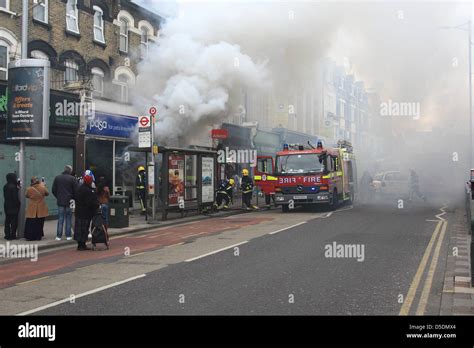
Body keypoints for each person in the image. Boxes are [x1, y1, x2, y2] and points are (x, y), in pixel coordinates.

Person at [74, 174, 99, 251]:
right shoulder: (88, 190)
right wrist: (96, 205)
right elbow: (90, 202)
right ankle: (82, 244)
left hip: (78, 211)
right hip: (85, 212)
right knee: (84, 228)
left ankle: (80, 244)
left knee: (78, 228)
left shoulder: (79, 188)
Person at [52, 165, 77, 241]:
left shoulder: (57, 178)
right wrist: (73, 198)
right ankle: (68, 235)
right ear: (70, 171)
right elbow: (75, 190)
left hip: (60, 201)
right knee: (68, 219)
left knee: (60, 218)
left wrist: (58, 196)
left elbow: (53, 190)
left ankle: (58, 236)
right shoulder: (72, 179)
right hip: (69, 201)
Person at [24, 176, 49, 241]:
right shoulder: (42, 187)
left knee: (30, 223)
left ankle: (30, 237)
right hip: (41, 208)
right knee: (39, 223)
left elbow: (26, 195)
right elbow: (47, 193)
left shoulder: (29, 189)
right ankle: (38, 236)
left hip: (32, 208)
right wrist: (43, 185)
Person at [3, 173, 20, 240]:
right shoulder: (13, 187)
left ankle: (7, 235)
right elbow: (15, 197)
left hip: (6, 205)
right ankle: (13, 235)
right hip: (13, 206)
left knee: (7, 221)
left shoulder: (5, 186)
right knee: (14, 221)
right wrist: (19, 203)